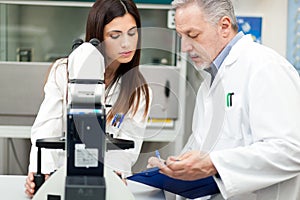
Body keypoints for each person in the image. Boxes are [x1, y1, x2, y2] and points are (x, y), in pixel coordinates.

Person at [148, 0, 300, 199]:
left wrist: (214, 163)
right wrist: (173, 167)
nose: (184, 47)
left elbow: (291, 150)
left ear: (224, 26)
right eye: (181, 36)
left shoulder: (264, 67)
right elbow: (202, 148)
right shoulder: (209, 82)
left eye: (193, 35)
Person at [25, 0, 152, 197]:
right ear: (97, 37)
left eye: (132, 33)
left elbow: (126, 151)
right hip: (59, 177)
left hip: (107, 183)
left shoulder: (139, 90)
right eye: (115, 35)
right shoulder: (63, 71)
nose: (126, 43)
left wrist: (110, 177)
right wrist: (43, 173)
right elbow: (47, 127)